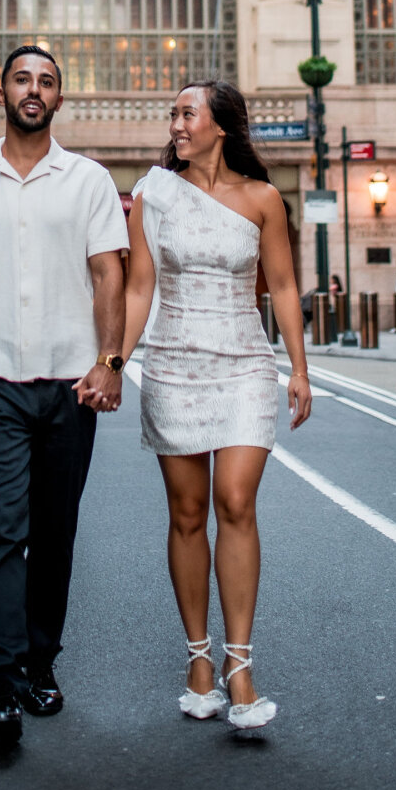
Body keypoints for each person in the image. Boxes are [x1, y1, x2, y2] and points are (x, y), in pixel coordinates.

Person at [0, 45, 128, 749]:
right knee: (3, 530)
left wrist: (108, 362)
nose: (32, 91)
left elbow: (108, 276)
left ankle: (41, 663)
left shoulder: (89, 180)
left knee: (55, 532)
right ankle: (1, 684)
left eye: (46, 82)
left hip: (72, 383)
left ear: (58, 99)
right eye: (21, 79)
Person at [121, 82, 311, 733]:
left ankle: (240, 666)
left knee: (234, 501)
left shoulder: (261, 200)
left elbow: (282, 286)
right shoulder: (151, 196)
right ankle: (197, 659)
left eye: (185, 113)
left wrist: (298, 369)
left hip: (244, 367)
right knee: (186, 513)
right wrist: (115, 363)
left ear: (219, 127)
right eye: (172, 114)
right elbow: (139, 288)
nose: (175, 124)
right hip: (172, 363)